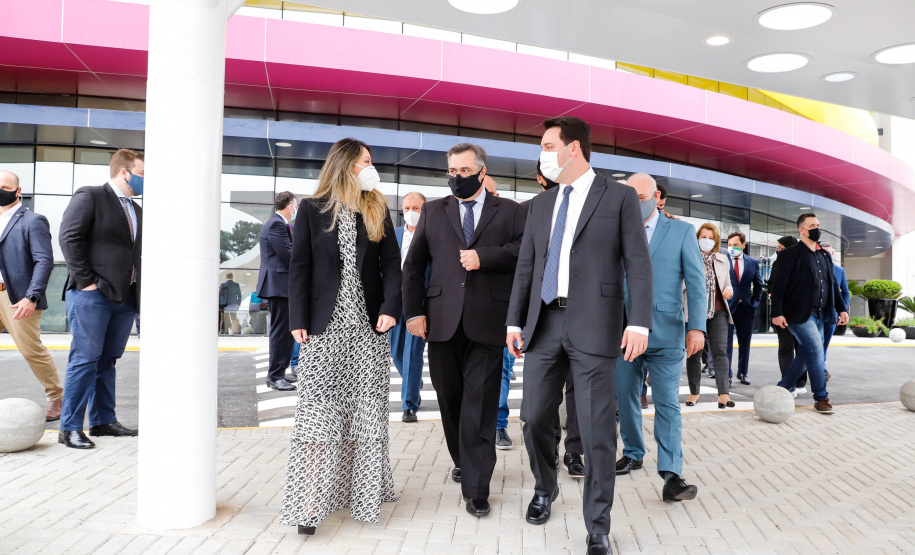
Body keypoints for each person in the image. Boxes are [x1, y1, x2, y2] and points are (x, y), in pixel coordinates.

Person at [506, 117, 652, 555]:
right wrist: (514, 321)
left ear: (574, 148)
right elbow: (527, 266)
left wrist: (638, 322)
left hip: (596, 324)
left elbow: (638, 263)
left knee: (595, 430)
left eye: (548, 145)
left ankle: (598, 525)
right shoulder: (540, 204)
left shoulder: (619, 196)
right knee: (533, 417)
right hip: (544, 323)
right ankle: (545, 487)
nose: (543, 153)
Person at [281, 138, 401, 535]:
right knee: (317, 416)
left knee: (365, 416)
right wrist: (298, 317)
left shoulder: (377, 207)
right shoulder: (312, 209)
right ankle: (309, 503)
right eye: (366, 160)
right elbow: (299, 267)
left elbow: (392, 266)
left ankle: (361, 494)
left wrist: (390, 307)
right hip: (323, 328)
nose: (371, 167)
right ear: (346, 164)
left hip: (368, 330)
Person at [403, 143, 525, 518]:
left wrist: (484, 257)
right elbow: (413, 266)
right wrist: (413, 313)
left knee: (481, 406)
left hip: (488, 322)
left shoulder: (511, 211)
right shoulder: (433, 211)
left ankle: (476, 487)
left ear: (482, 172)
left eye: (465, 171)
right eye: (452, 171)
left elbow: (525, 252)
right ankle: (463, 459)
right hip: (441, 322)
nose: (457, 177)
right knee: (451, 400)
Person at [615, 173, 706, 504]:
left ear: (656, 197)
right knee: (625, 397)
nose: (635, 203)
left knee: (666, 402)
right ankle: (633, 453)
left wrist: (697, 327)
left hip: (667, 331)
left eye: (641, 197)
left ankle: (671, 475)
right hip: (623, 331)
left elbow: (696, 283)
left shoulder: (681, 231)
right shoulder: (615, 230)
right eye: (630, 197)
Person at [57, 149, 144, 449]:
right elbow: (69, 237)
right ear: (124, 172)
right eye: (143, 174)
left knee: (107, 360)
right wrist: (87, 283)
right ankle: (69, 428)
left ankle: (103, 421)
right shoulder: (91, 195)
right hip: (92, 295)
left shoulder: (137, 210)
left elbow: (136, 255)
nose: (147, 180)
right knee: (85, 359)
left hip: (126, 297)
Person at [770, 213, 849, 415]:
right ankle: (821, 397)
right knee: (815, 350)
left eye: (818, 225)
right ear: (801, 230)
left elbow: (833, 285)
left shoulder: (824, 255)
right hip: (799, 314)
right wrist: (776, 312)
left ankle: (783, 387)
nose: (817, 228)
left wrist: (841, 308)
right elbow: (778, 287)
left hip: (822, 313)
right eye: (812, 225)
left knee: (807, 353)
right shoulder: (789, 255)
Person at [0, 170, 62, 422]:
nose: (0, 190)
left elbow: (44, 261)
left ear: (18, 191)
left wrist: (32, 296)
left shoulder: (33, 221)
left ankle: (56, 396)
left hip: (16, 298)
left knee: (31, 350)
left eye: (5, 187)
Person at [685, 223, 734, 408]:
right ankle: (694, 393)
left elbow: (727, 283)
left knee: (720, 352)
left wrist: (729, 290)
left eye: (711, 238)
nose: (707, 240)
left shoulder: (722, 259)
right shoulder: (689, 257)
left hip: (718, 311)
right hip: (695, 311)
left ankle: (723, 394)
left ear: (716, 241)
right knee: (694, 353)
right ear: (697, 238)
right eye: (703, 237)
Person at [390, 191, 427, 423]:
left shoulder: (430, 235)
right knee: (396, 352)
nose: (410, 212)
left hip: (419, 304)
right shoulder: (393, 235)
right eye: (407, 208)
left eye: (416, 208)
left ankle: (409, 405)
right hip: (396, 302)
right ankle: (413, 380)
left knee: (412, 353)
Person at [257, 191, 298, 391]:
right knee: (280, 333)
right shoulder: (276, 224)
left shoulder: (281, 224)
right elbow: (288, 254)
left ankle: (280, 372)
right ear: (289, 205)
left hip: (283, 287)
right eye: (296, 205)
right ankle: (274, 376)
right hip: (279, 287)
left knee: (287, 333)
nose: (296, 209)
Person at [724, 232, 763, 385]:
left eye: (735, 245)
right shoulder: (723, 260)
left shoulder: (752, 262)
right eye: (729, 245)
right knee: (726, 343)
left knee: (745, 343)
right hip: (727, 308)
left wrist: (755, 303)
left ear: (743, 245)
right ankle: (727, 375)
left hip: (746, 308)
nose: (732, 247)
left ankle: (743, 373)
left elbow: (759, 285)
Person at [771, 236, 805, 393]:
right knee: (786, 348)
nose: (779, 251)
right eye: (778, 248)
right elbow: (772, 284)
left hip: (801, 315)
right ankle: (789, 384)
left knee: (801, 348)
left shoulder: (803, 263)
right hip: (783, 314)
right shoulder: (777, 263)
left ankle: (800, 383)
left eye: (782, 248)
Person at [821, 243, 849, 372]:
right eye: (823, 252)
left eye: (828, 252)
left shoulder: (839, 270)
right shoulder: (814, 268)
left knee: (825, 343)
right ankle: (820, 369)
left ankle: (821, 366)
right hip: (816, 314)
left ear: (832, 253)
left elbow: (845, 293)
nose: (826, 255)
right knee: (817, 342)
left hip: (832, 314)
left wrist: (842, 311)